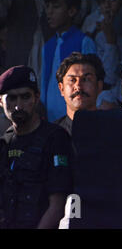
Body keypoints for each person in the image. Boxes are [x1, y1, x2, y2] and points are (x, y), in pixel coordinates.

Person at [0, 65, 72, 228]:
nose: (18, 105)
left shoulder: (55, 138)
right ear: (0, 101)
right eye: (11, 98)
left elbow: (58, 205)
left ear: (37, 97)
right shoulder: (5, 143)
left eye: (25, 97)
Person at [41, 0, 97, 122]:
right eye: (48, 6)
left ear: (71, 11)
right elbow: (44, 81)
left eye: (56, 7)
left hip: (77, 116)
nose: (49, 12)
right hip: (50, 116)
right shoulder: (48, 45)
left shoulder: (84, 41)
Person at [55, 52, 105, 136]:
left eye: (86, 79)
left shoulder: (114, 130)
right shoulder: (52, 135)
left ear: (99, 86)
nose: (78, 86)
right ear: (61, 88)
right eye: (72, 80)